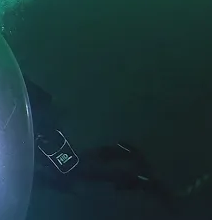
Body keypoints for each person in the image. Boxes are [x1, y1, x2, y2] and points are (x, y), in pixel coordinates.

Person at [24, 76, 178, 210]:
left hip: (41, 132)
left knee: (74, 169)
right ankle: (122, 155)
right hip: (38, 132)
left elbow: (38, 102)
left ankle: (143, 181)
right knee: (72, 168)